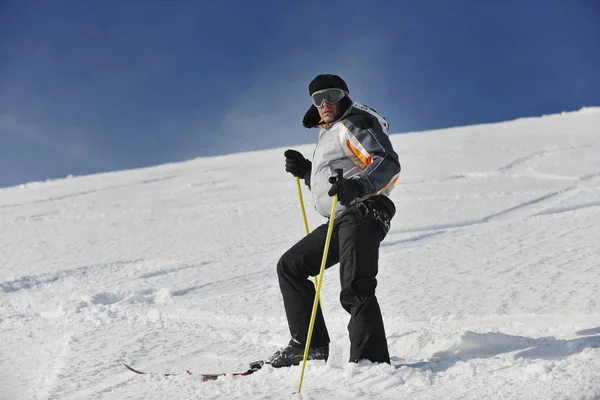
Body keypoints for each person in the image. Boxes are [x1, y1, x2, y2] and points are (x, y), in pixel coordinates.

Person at [269, 74, 401, 368]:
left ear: (345, 95)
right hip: (341, 217)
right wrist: (306, 172)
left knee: (356, 286)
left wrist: (359, 186)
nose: (326, 102)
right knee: (291, 266)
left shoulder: (356, 123)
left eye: (332, 94)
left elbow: (386, 162)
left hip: (365, 211)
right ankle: (310, 345)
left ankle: (370, 362)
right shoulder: (329, 131)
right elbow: (338, 180)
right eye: (318, 98)